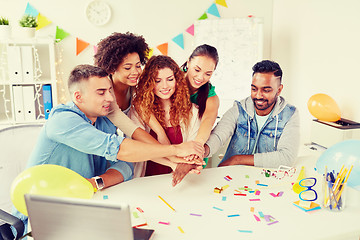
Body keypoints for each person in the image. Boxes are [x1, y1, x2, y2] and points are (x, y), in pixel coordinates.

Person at [13, 65, 204, 231]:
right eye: (101, 92)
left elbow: (125, 165)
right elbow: (119, 149)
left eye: (110, 90)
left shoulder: (104, 121)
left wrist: (95, 183)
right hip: (40, 216)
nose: (110, 98)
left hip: (85, 206)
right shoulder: (62, 121)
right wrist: (176, 150)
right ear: (78, 97)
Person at [94, 32, 202, 173]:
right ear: (112, 67)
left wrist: (159, 131)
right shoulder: (106, 93)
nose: (135, 72)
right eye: (127, 68)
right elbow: (133, 131)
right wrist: (172, 155)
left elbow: (140, 103)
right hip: (98, 143)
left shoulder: (132, 86)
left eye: (138, 66)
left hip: (116, 148)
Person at [205, 60, 300, 168]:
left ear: (279, 90)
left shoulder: (290, 114)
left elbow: (287, 157)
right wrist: (203, 151)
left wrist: (237, 159)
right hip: (233, 176)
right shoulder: (239, 108)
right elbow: (218, 135)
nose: (258, 95)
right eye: (254, 89)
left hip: (265, 179)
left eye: (266, 90)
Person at [130, 55, 202, 182]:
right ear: (149, 83)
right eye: (157, 81)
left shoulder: (192, 112)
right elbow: (141, 149)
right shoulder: (138, 111)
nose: (164, 86)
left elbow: (192, 150)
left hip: (182, 180)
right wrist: (173, 163)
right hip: (146, 180)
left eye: (169, 79)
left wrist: (187, 163)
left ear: (177, 80)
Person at [150, 44, 220, 167]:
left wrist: (195, 149)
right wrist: (161, 134)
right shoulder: (169, 81)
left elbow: (207, 122)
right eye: (197, 70)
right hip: (163, 149)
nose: (200, 77)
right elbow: (142, 102)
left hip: (192, 151)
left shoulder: (211, 98)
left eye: (208, 74)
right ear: (188, 63)